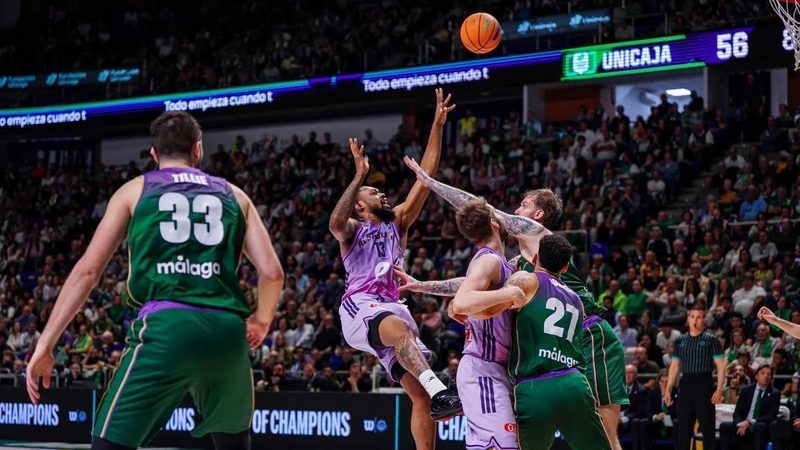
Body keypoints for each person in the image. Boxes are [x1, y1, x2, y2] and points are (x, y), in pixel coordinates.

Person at [26, 111, 284, 450]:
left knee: (109, 443)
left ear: (153, 153)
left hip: (166, 326)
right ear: (198, 149)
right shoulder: (236, 195)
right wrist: (262, 320)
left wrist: (46, 343)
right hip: (227, 331)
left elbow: (88, 271)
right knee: (233, 444)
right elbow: (272, 273)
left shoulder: (134, 190)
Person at [401, 160, 628, 449]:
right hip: (558, 348)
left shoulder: (539, 235)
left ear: (538, 214)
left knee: (607, 434)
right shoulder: (519, 264)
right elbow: (476, 282)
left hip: (589, 334)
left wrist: (430, 183)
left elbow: (482, 210)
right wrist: (423, 285)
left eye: (523, 205)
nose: (517, 211)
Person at [328, 89, 461, 450]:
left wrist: (437, 126)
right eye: (374, 192)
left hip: (391, 307)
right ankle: (442, 390)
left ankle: (433, 396)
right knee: (403, 335)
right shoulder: (352, 229)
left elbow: (426, 177)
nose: (382, 194)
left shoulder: (397, 221)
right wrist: (358, 176)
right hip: (360, 306)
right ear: (360, 206)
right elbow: (335, 223)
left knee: (419, 394)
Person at [456, 234, 612, 449]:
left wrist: (462, 308)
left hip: (534, 386)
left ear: (536, 257)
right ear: (565, 267)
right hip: (574, 383)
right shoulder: (577, 300)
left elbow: (489, 309)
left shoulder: (526, 280)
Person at [448, 198, 518, 449]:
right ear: (494, 223)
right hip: (483, 367)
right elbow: (461, 302)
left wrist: (423, 286)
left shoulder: (500, 263)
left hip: (495, 369)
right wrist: (509, 294)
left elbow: (459, 295)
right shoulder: (488, 261)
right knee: (505, 444)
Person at [665, 307, 726, 450]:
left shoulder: (711, 339)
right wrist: (668, 388)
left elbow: (721, 367)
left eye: (699, 317)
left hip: (704, 384)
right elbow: (674, 366)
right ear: (688, 319)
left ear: (704, 320)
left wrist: (719, 390)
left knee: (707, 428)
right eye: (692, 316)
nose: (695, 320)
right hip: (685, 385)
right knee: (683, 428)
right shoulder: (680, 340)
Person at [719, 365, 780, 450]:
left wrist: (750, 422)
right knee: (724, 426)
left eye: (769, 374)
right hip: (743, 423)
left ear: (771, 378)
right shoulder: (746, 390)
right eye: (762, 373)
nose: (766, 376)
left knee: (760, 426)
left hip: (758, 423)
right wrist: (739, 424)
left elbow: (771, 416)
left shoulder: (775, 393)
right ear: (756, 376)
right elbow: (737, 412)